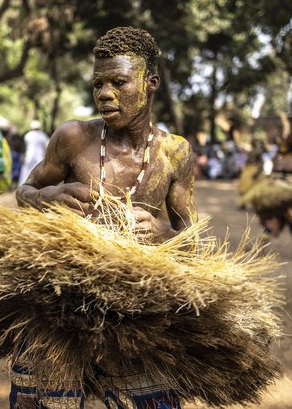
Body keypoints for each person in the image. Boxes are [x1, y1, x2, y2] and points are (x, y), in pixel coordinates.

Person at [16, 26, 195, 408]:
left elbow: (191, 237)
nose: (104, 94)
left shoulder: (174, 153)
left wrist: (165, 234)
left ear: (151, 83)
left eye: (118, 81)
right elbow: (23, 192)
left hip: (137, 309)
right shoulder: (73, 138)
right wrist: (48, 196)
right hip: (62, 304)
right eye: (98, 83)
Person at [253, 135, 292, 263]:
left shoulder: (276, 160)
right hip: (290, 201)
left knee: (271, 226)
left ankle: (259, 253)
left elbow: (269, 175)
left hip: (275, 200)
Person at [18, 119, 49, 185]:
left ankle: (24, 185)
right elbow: (47, 146)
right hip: (39, 157)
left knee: (27, 172)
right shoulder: (43, 136)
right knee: (38, 172)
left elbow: (25, 146)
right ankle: (37, 185)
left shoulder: (28, 135)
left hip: (29, 156)